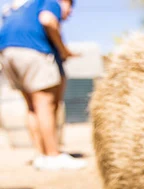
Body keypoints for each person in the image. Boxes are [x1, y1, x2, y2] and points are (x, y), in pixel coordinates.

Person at [0, 0, 86, 170]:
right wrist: (63, 50)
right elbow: (48, 20)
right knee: (45, 105)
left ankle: (41, 156)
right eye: (70, 6)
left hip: (7, 52)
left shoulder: (17, 7)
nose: (71, 13)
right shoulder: (50, 2)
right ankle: (53, 156)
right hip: (33, 51)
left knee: (32, 107)